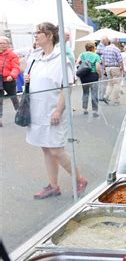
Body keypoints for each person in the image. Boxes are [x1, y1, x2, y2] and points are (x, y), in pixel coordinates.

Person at [25, 22, 87, 199]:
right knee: (46, 149)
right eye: (35, 32)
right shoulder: (35, 57)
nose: (35, 35)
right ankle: (53, 186)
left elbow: (66, 87)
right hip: (36, 110)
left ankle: (80, 179)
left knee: (56, 150)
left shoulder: (62, 59)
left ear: (50, 36)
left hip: (53, 111)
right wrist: (28, 78)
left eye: (39, 32)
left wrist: (58, 111)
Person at [76, 42, 101, 117]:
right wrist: (99, 75)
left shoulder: (82, 54)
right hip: (93, 75)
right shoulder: (96, 56)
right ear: (93, 48)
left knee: (85, 93)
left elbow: (77, 63)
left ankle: (85, 109)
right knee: (94, 93)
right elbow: (97, 68)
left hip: (84, 76)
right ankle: (95, 111)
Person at [0, 36, 20, 127]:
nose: (2, 45)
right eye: (0, 43)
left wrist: (12, 75)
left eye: (4, 43)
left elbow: (16, 67)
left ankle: (20, 114)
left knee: (14, 98)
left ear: (8, 44)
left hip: (9, 80)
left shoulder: (12, 55)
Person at [102, 37, 124, 105]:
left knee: (110, 84)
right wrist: (122, 68)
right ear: (116, 42)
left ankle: (106, 96)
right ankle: (116, 100)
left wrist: (105, 68)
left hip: (108, 68)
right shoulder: (116, 49)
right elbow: (120, 60)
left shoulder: (105, 48)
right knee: (117, 84)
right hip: (115, 68)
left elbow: (102, 59)